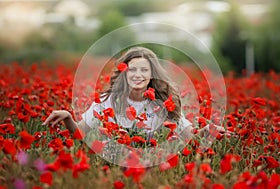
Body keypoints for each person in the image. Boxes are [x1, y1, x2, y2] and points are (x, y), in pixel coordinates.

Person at [42, 46, 226, 144]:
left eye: (144, 70)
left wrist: (207, 131)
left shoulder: (164, 103)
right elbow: (80, 133)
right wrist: (67, 118)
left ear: (152, 74)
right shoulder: (107, 101)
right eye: (132, 70)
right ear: (124, 73)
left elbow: (190, 139)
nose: (138, 75)